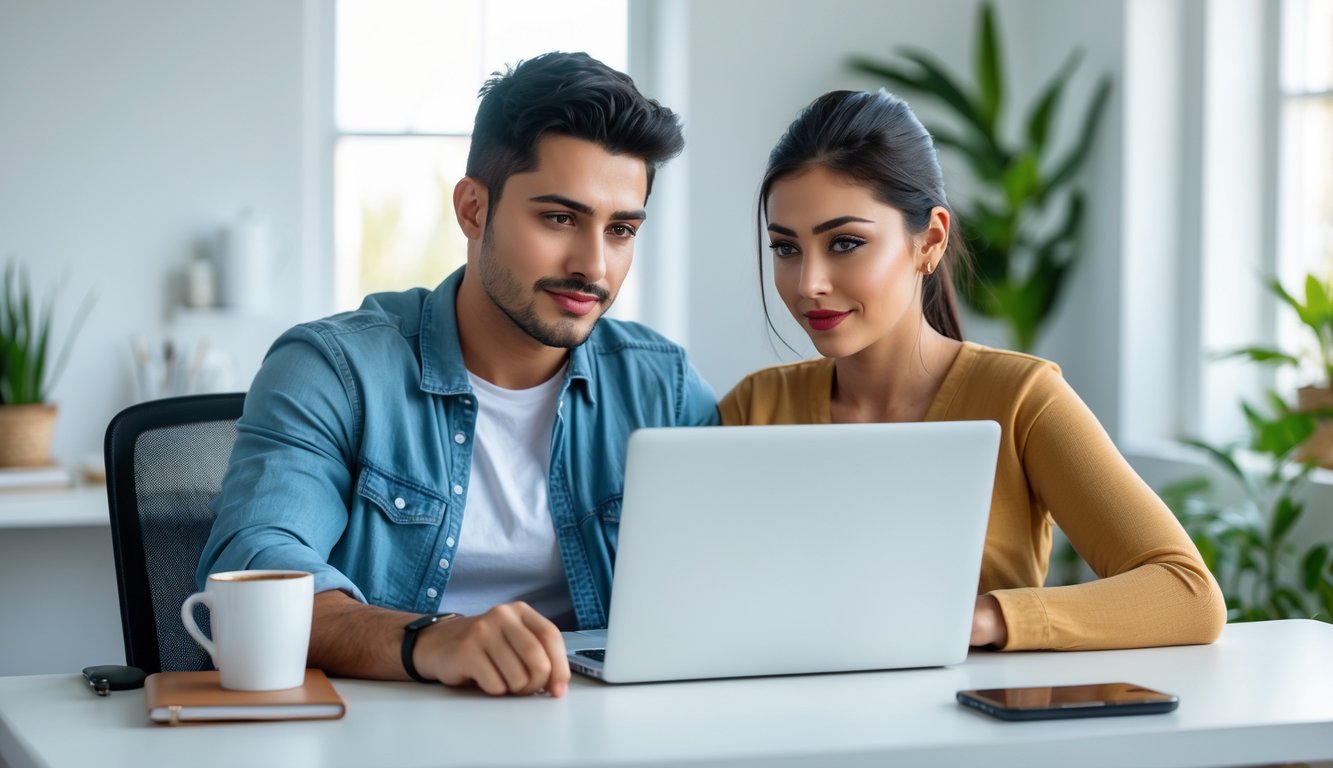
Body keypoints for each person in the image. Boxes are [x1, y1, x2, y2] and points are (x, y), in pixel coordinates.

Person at [198, 52, 718, 698]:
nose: (594, 265)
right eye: (560, 219)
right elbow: (256, 574)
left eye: (620, 230)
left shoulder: (660, 388)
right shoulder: (334, 371)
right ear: (473, 209)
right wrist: (430, 639)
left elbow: (735, 583)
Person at [720, 89, 1224, 651]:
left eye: (845, 243)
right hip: (788, 728)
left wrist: (977, 619)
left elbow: (1188, 594)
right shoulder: (752, 409)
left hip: (974, 729)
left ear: (929, 241)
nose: (808, 282)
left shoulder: (1022, 399)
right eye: (786, 249)